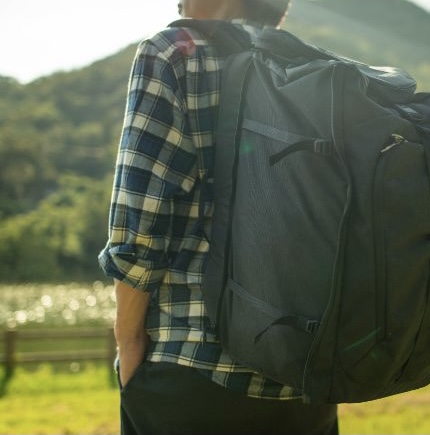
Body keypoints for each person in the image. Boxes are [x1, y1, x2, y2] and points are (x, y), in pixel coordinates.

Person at [98, 1, 339, 434]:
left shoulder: (174, 53)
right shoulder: (321, 72)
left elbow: (140, 227)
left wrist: (129, 346)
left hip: (189, 375)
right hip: (303, 384)